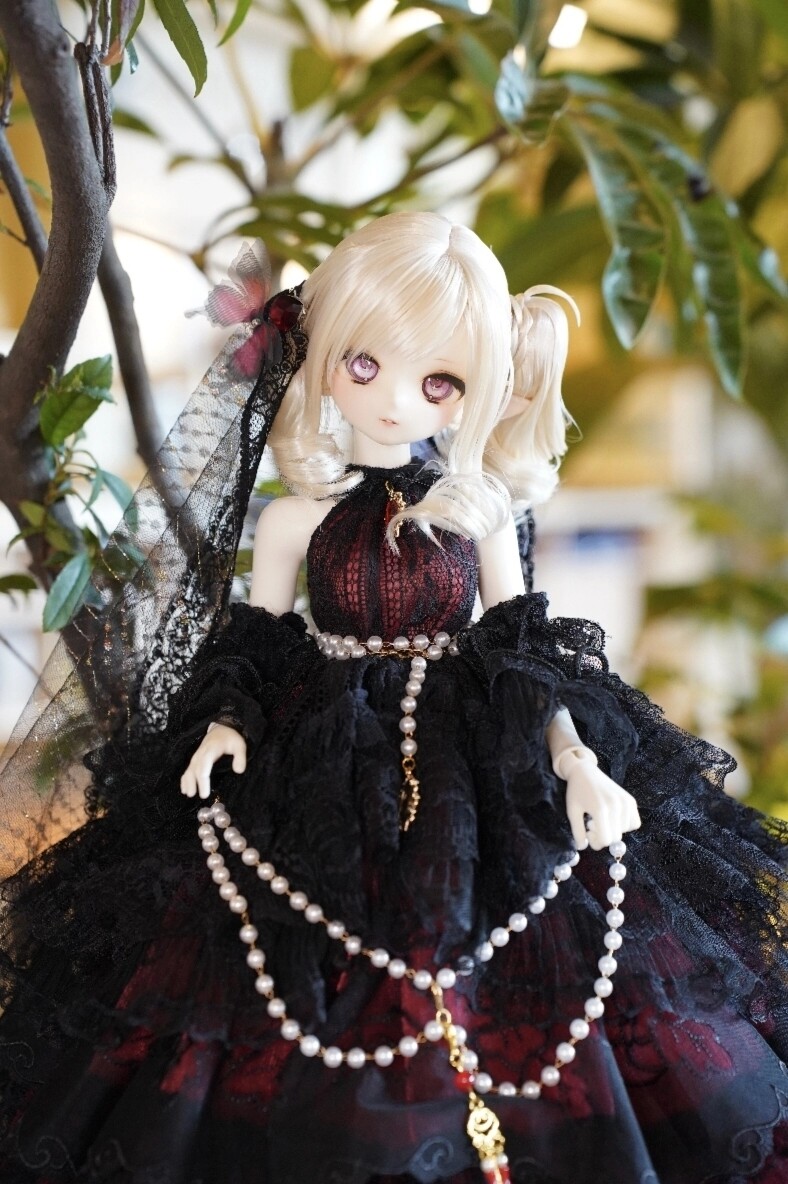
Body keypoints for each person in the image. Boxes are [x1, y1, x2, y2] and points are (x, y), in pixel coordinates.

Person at [0, 212, 786, 1184]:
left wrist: (577, 759)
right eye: (363, 364)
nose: (393, 400)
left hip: (476, 758)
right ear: (320, 353)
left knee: (543, 942)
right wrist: (224, 723)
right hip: (316, 756)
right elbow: (255, 641)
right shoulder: (293, 520)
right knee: (248, 947)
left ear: (476, 386)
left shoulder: (479, 513)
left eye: (438, 380)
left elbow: (520, 652)